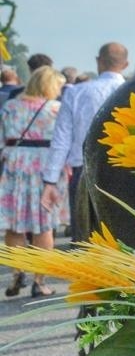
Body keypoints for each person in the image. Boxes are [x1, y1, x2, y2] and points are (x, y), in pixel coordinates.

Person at [42, 42, 129, 243]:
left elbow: (61, 139)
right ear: (126, 64)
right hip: (126, 171)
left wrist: (50, 180)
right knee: (124, 237)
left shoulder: (75, 93)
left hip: (84, 172)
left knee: (85, 238)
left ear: (98, 61)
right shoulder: (134, 89)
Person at [2, 67, 69, 297]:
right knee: (44, 225)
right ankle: (39, 281)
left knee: (14, 225)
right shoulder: (56, 109)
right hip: (45, 169)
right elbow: (62, 142)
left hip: (15, 167)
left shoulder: (10, 107)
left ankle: (17, 272)